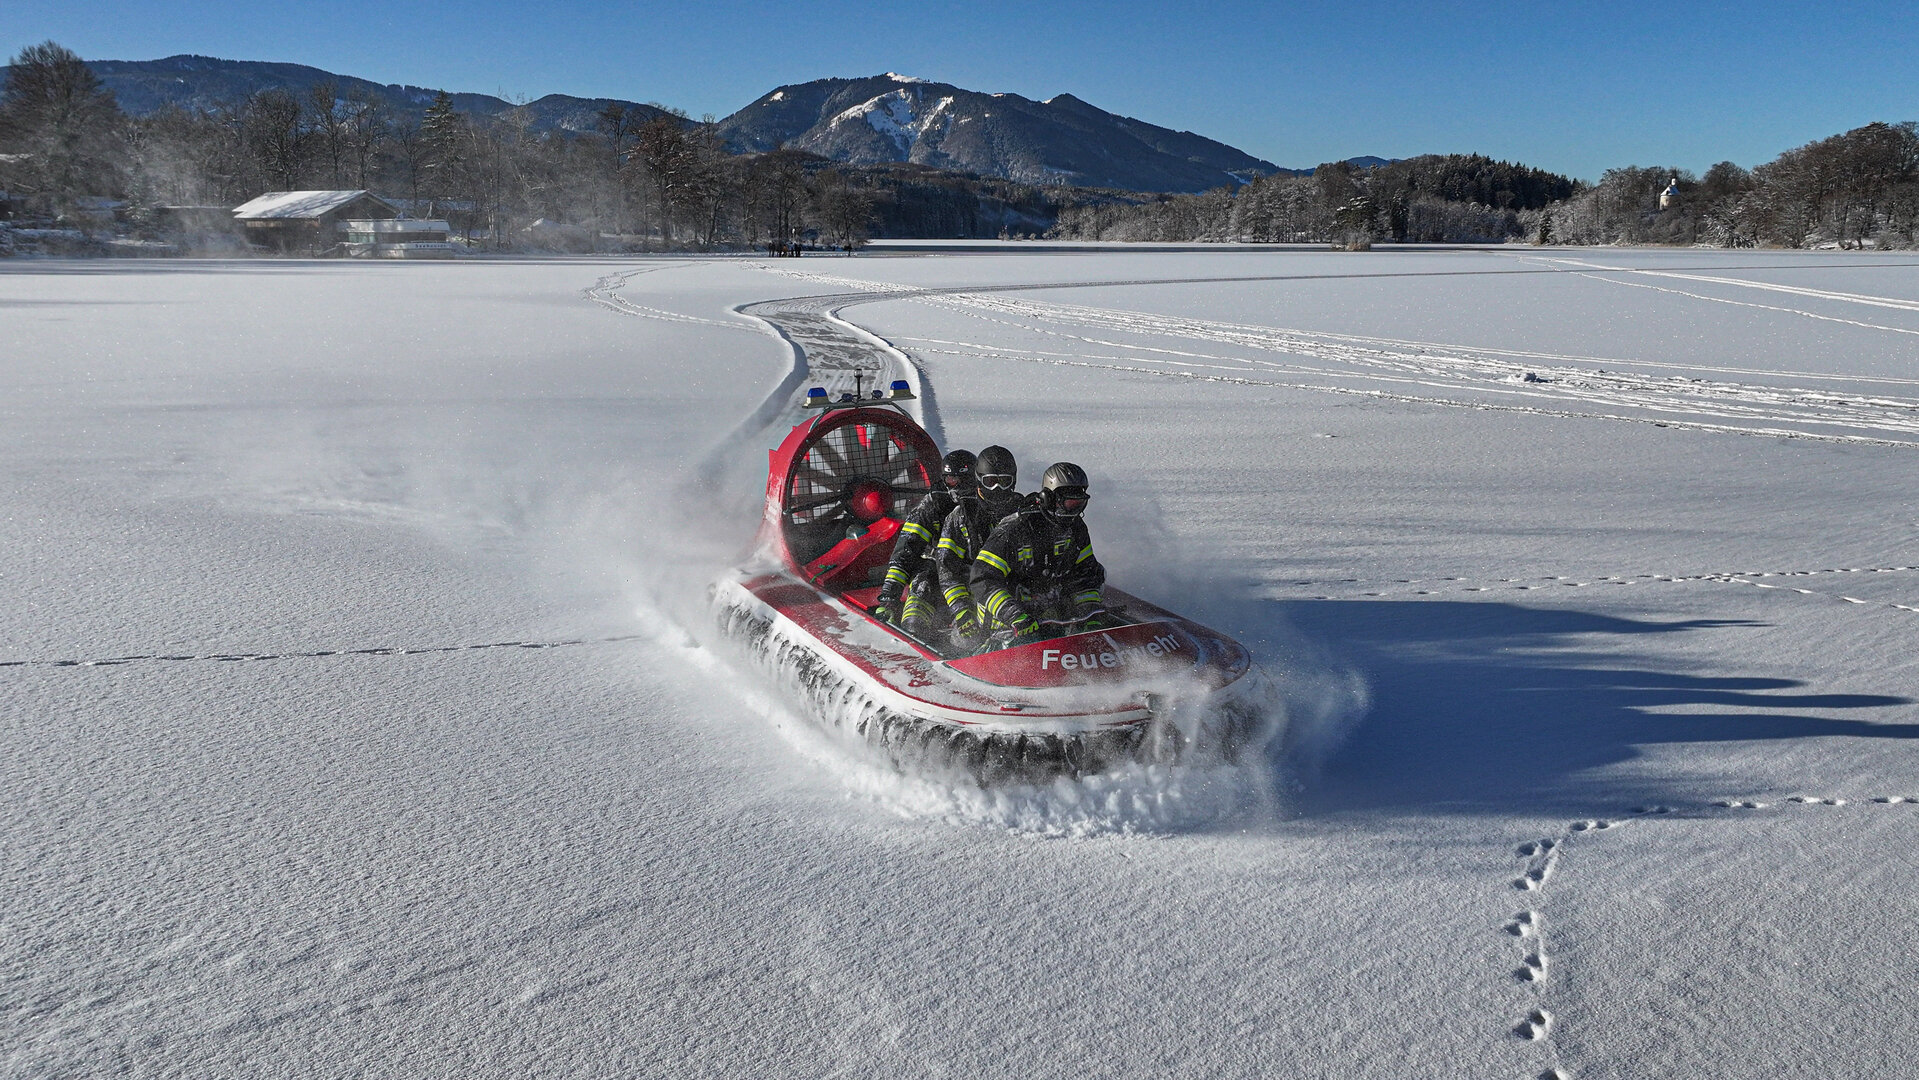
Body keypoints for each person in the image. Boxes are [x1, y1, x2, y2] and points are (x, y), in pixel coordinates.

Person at [970, 462, 1106, 644]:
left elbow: (1085, 575)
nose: (1074, 512)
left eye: (1080, 504)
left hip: (1051, 617)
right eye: (1070, 504)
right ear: (1049, 498)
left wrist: (1090, 614)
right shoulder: (1013, 529)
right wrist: (1015, 616)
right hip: (1005, 624)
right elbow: (982, 579)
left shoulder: (1076, 528)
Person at [932, 445, 1029, 646]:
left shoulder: (1025, 514)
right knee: (966, 641)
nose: (997, 489)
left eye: (1004, 482)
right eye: (990, 482)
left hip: (1020, 596)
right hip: (974, 597)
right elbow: (948, 573)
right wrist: (962, 611)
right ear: (979, 480)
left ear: (1014, 480)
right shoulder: (960, 517)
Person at [872, 449, 975, 629]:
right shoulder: (930, 507)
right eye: (951, 480)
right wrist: (889, 597)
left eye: (964, 481)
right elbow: (906, 551)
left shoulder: (986, 504)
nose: (957, 487)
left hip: (972, 573)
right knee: (924, 581)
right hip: (935, 570)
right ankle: (912, 631)